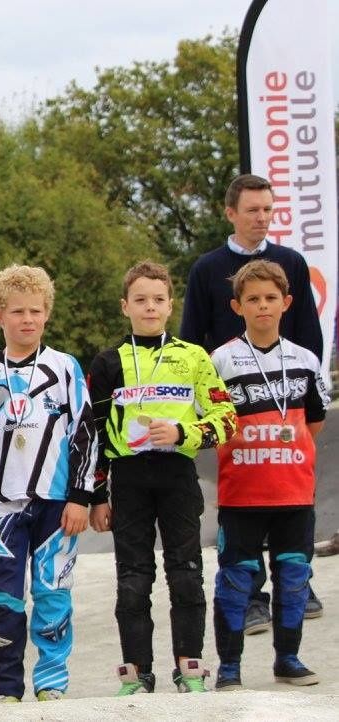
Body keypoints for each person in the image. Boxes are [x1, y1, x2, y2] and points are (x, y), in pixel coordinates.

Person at [180, 173, 324, 630]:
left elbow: (309, 333)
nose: (262, 218)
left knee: (291, 495)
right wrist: (201, 401)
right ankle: (252, 595)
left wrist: (305, 397)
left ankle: (297, 585)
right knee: (244, 500)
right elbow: (191, 339)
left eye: (268, 209)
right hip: (233, 404)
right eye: (252, 210)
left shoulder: (291, 262)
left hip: (285, 402)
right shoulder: (207, 268)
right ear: (231, 213)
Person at [89, 261, 236, 695]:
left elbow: (227, 418)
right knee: (133, 579)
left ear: (171, 305)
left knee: (186, 573)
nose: (149, 307)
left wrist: (183, 432)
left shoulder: (194, 357)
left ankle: (189, 667)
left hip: (177, 475)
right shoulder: (107, 361)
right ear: (125, 306)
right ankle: (137, 673)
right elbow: (94, 434)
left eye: (158, 299)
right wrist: (97, 495)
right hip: (128, 479)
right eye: (140, 300)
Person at [0, 264, 96, 703]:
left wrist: (81, 497)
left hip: (57, 503)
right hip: (1, 506)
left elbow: (85, 433)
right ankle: (7, 689)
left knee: (53, 592)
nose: (28, 319)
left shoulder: (65, 367)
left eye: (36, 311)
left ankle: (52, 683)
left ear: (47, 314)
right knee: (2, 597)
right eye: (18, 311)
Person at [209, 259, 327, 690]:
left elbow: (314, 422)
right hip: (241, 493)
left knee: (294, 579)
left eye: (271, 298)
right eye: (253, 299)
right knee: (235, 580)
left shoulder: (305, 359)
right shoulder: (219, 361)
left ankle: (288, 660)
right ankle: (229, 668)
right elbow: (210, 421)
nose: (263, 306)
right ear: (237, 306)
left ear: (286, 303)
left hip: (293, 492)